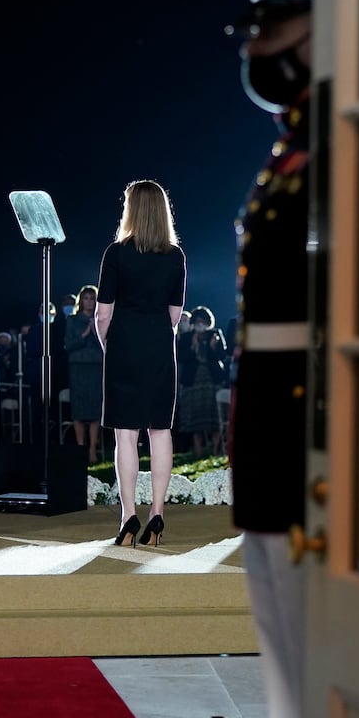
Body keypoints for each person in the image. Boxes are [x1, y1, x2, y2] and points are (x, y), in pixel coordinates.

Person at [226, 0, 323, 718]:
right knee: (292, 708)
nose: (260, 46)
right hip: (273, 456)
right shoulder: (299, 151)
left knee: (320, 704)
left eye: (278, 24)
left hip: (310, 461)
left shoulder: (347, 150)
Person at [94, 179, 187, 546]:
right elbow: (176, 314)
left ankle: (127, 516)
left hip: (123, 344)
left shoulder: (116, 254)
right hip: (160, 344)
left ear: (129, 210)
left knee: (126, 434)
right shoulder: (176, 256)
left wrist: (109, 345)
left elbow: (103, 313)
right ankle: (157, 516)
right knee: (160, 430)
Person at [177, 305, 229, 457]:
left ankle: (215, 451)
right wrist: (193, 346)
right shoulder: (186, 337)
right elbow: (181, 357)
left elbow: (222, 355)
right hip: (193, 381)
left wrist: (213, 347)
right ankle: (198, 452)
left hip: (212, 379)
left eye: (203, 321)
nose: (200, 324)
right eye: (198, 321)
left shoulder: (215, 334)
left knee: (214, 417)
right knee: (195, 419)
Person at [64, 284, 104, 462]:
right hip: (78, 367)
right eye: (86, 298)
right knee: (79, 410)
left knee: (95, 410)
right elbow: (69, 345)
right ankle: (81, 449)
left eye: (92, 298)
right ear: (82, 301)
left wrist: (95, 332)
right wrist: (85, 333)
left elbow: (106, 346)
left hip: (96, 366)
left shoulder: (101, 320)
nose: (89, 302)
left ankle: (92, 450)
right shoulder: (72, 320)